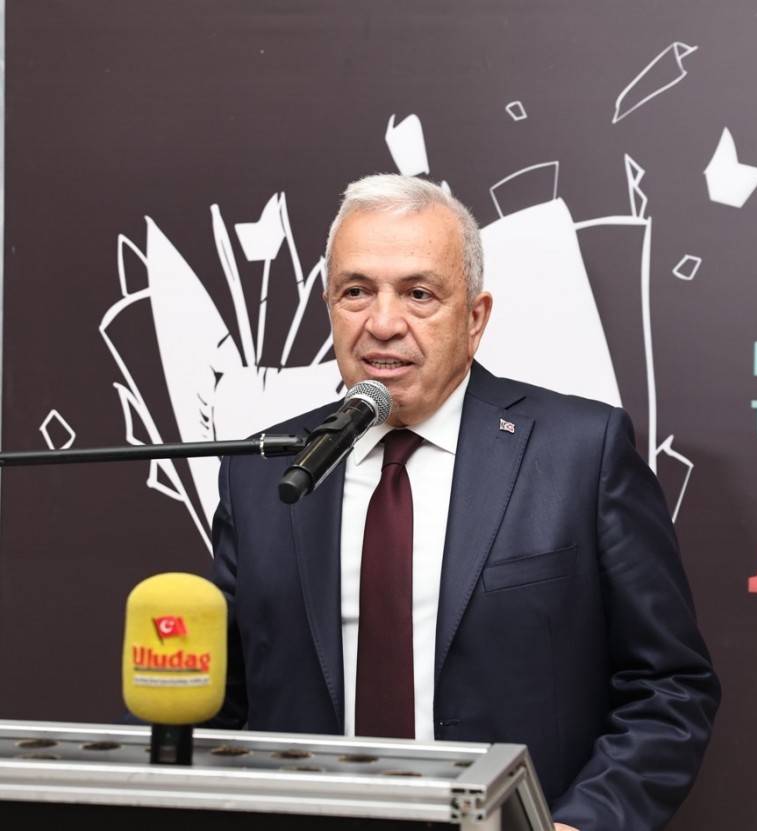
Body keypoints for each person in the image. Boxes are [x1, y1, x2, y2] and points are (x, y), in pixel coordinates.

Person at [205, 172, 721, 831]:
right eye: (356, 291)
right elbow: (210, 699)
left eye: (418, 294)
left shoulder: (580, 453)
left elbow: (670, 687)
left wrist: (580, 823)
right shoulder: (264, 471)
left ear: (474, 319)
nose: (382, 323)